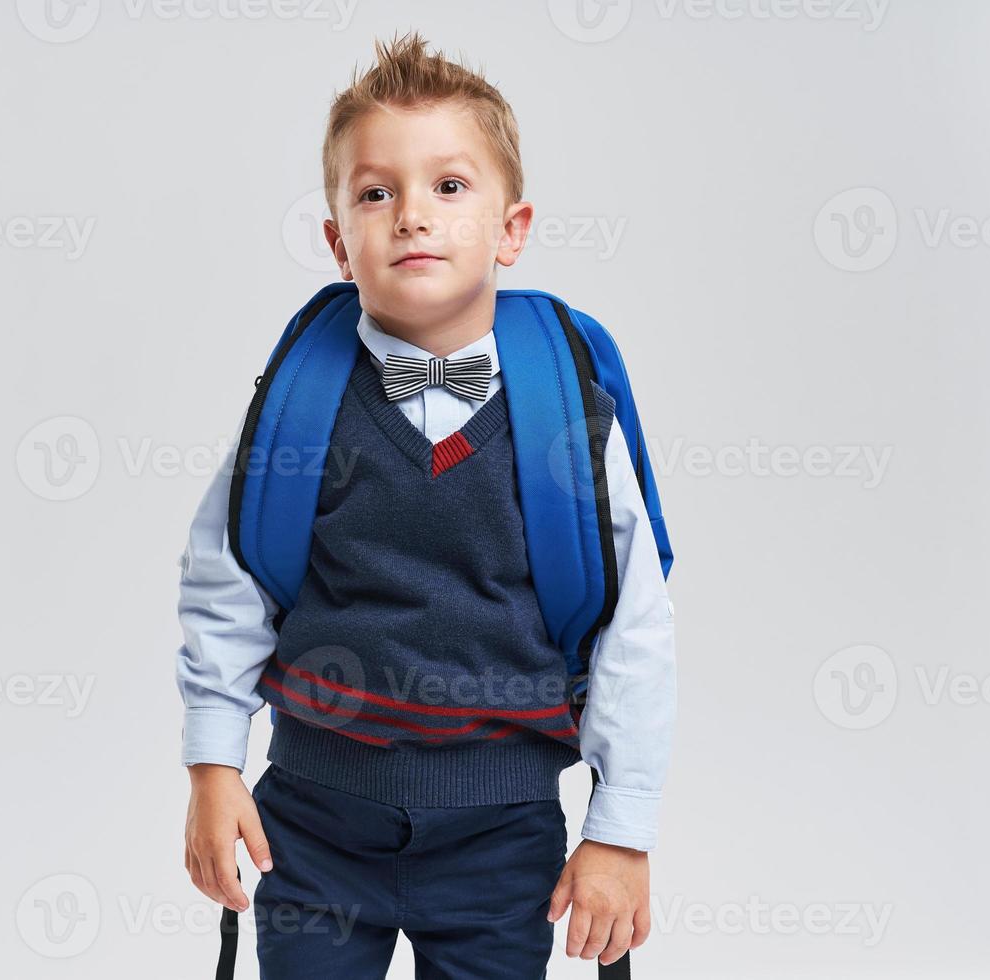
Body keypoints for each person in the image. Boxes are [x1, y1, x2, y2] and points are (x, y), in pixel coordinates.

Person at [176, 30, 676, 979]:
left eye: (449, 187)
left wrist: (621, 831)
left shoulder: (568, 415)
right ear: (338, 242)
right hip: (312, 822)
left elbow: (634, 625)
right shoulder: (299, 401)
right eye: (376, 192)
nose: (412, 215)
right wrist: (213, 764)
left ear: (511, 229)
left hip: (502, 830)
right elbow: (226, 580)